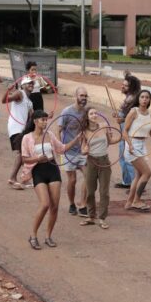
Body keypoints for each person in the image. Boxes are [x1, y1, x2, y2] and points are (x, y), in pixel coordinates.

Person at [21, 110, 81, 250]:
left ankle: (48, 236)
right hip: (38, 171)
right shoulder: (27, 138)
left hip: (52, 169)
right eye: (42, 120)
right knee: (45, 204)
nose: (45, 122)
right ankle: (33, 235)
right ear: (35, 121)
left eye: (46, 120)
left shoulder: (50, 135)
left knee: (54, 206)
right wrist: (37, 158)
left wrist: (77, 139)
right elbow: (24, 158)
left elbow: (62, 148)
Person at [123, 90, 151, 211]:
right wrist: (130, 145)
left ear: (150, 100)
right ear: (139, 99)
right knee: (147, 173)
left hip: (142, 144)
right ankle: (137, 200)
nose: (145, 99)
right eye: (142, 97)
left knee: (139, 175)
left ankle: (130, 202)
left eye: (147, 97)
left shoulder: (150, 114)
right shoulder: (133, 111)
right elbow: (124, 131)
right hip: (132, 144)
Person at [80, 107, 120, 228]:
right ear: (87, 116)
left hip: (104, 161)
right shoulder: (84, 131)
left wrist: (122, 136)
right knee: (90, 191)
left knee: (104, 192)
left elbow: (111, 141)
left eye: (95, 113)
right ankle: (91, 216)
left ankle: (102, 218)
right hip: (91, 161)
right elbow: (82, 149)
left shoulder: (104, 126)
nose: (94, 115)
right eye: (91, 113)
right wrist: (85, 151)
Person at [58, 87, 89, 217]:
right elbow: (58, 130)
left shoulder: (87, 112)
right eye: (82, 95)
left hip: (82, 151)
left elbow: (91, 129)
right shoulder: (67, 112)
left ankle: (83, 204)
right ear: (75, 96)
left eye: (86, 96)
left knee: (89, 177)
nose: (84, 98)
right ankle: (71, 204)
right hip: (69, 151)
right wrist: (61, 147)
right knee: (72, 180)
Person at [4, 77, 34, 189]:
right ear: (23, 85)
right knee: (21, 154)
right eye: (28, 83)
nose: (31, 84)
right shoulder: (20, 94)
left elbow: (33, 117)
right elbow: (5, 100)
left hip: (22, 129)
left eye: (32, 83)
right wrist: (8, 91)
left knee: (25, 154)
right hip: (16, 127)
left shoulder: (29, 102)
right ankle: (12, 178)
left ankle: (24, 178)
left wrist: (45, 116)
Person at [114, 74, 141, 189]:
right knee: (122, 158)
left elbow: (136, 118)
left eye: (126, 86)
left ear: (132, 87)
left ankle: (136, 186)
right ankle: (127, 182)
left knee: (129, 160)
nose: (122, 87)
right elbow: (123, 116)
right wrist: (118, 116)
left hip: (129, 135)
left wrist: (122, 119)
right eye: (123, 84)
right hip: (123, 134)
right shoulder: (129, 98)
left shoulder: (134, 100)